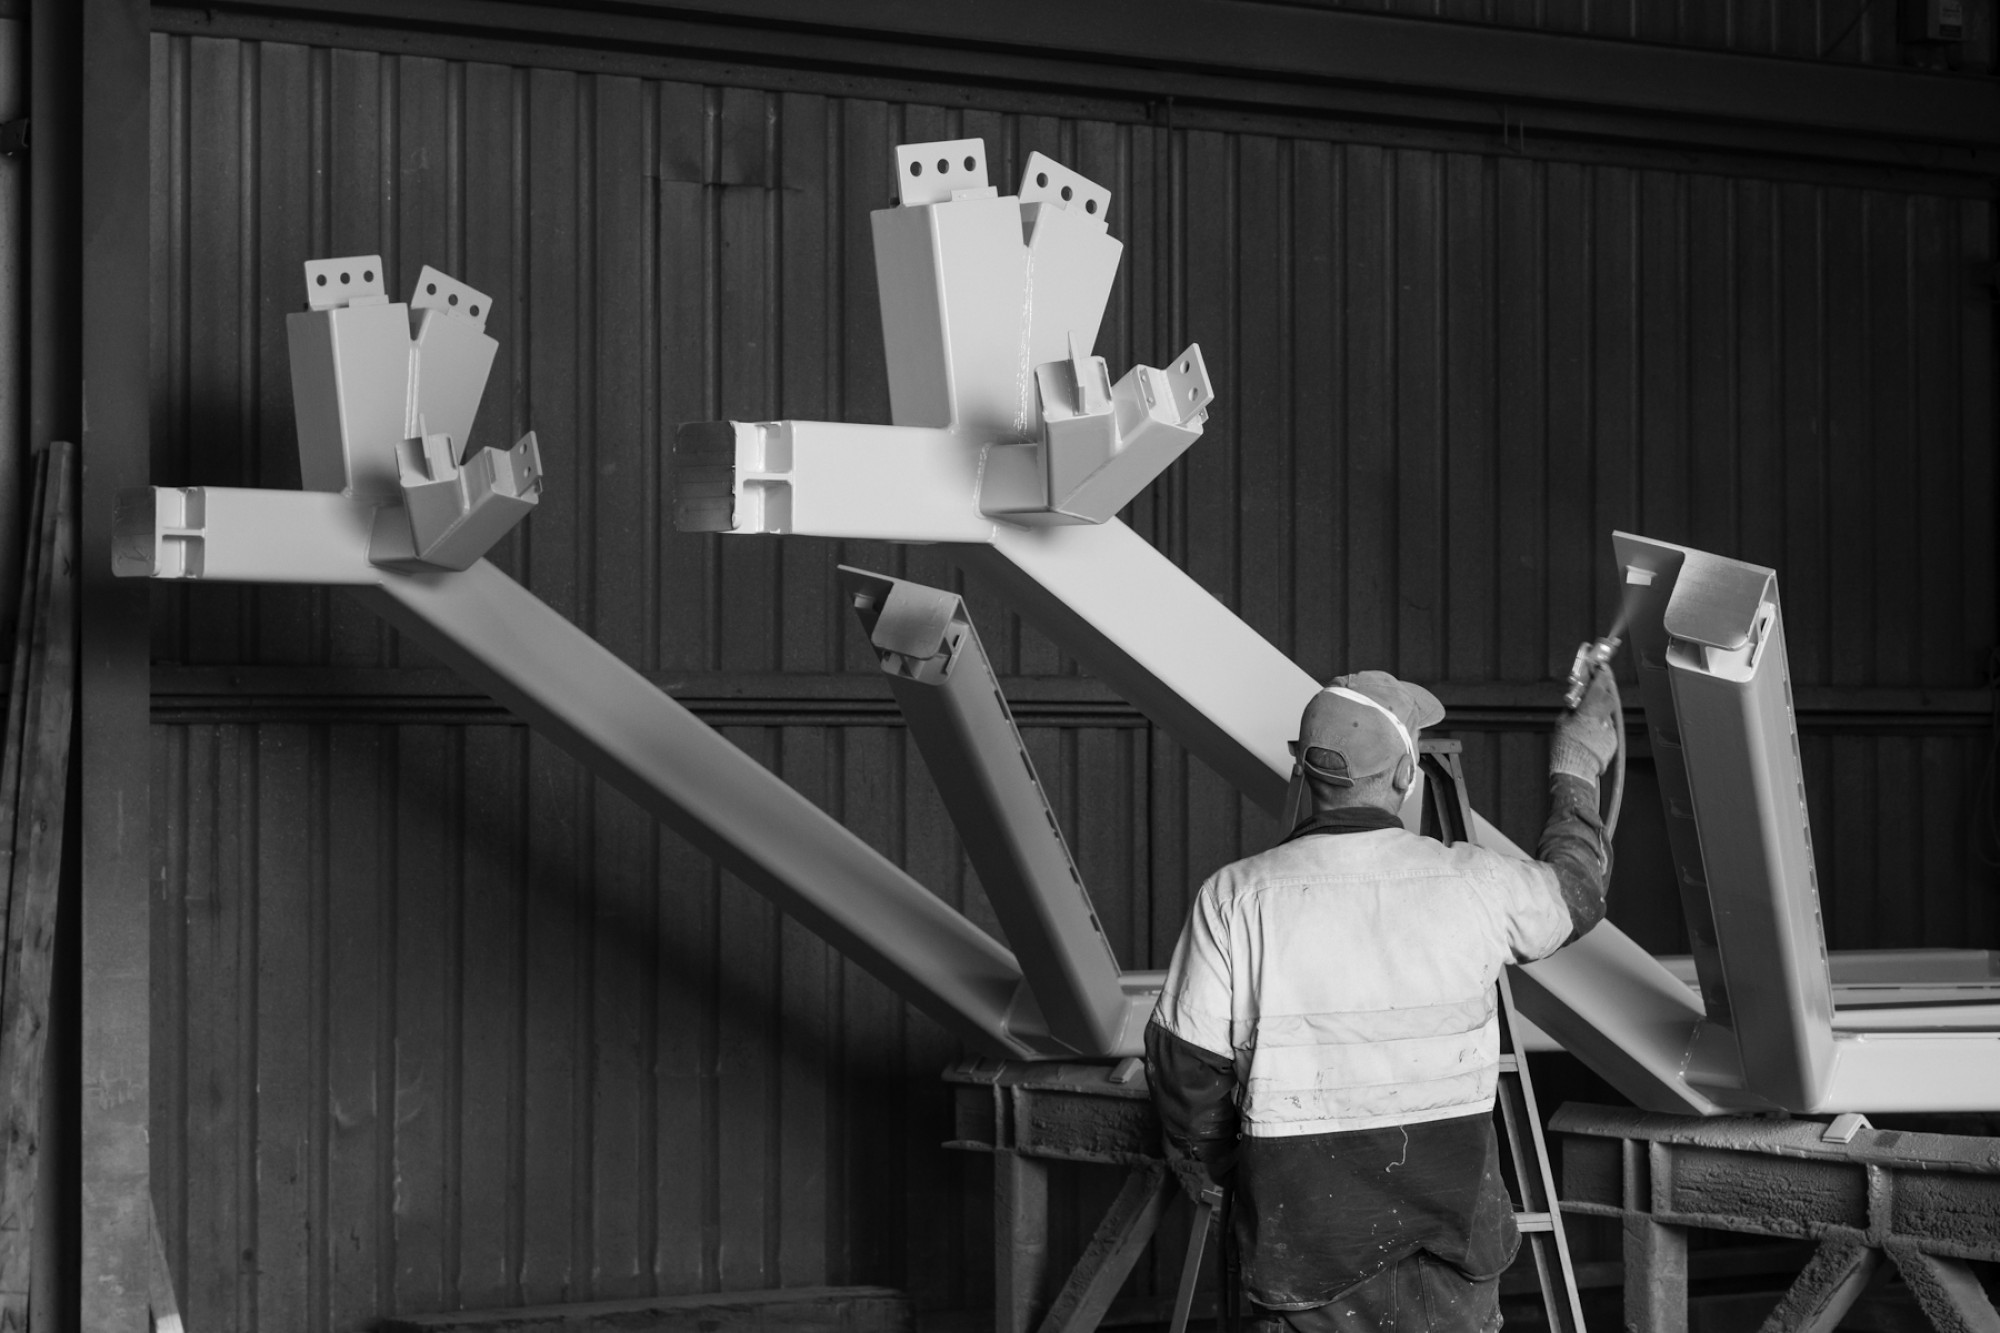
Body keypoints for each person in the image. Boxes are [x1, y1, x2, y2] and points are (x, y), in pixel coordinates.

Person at [1147, 668, 1619, 1333]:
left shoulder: (1234, 897)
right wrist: (1577, 763)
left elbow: (1185, 1071)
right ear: (1405, 775)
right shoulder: (1472, 883)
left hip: (1305, 1254)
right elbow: (1578, 888)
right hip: (1452, 1249)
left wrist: (1244, 1175)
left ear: (1303, 771)